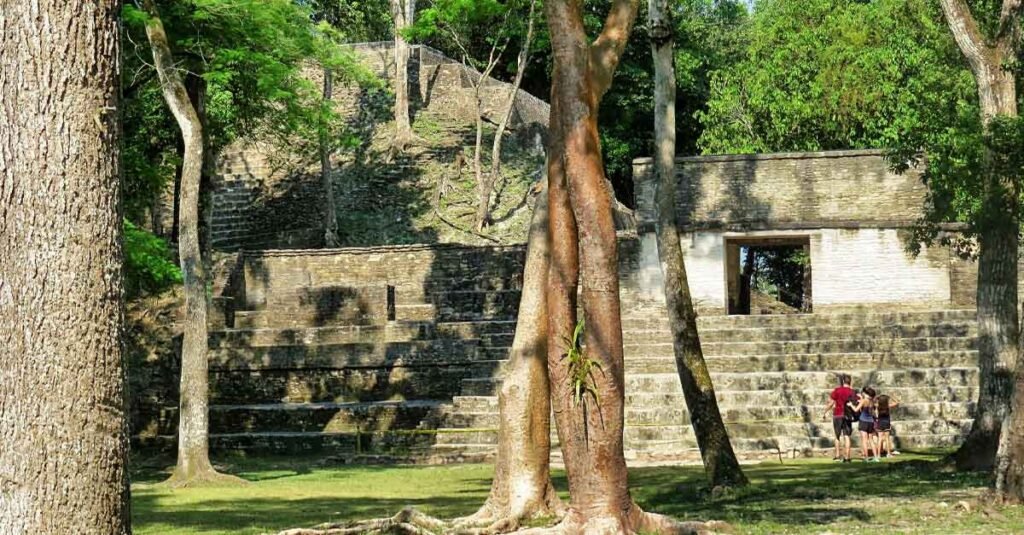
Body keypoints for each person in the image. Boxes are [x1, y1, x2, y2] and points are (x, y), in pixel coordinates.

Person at [825, 373, 856, 462]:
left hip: (838, 414)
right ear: (850, 381)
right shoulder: (852, 391)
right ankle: (847, 457)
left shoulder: (837, 390)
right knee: (847, 436)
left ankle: (837, 455)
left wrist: (825, 411)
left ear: (842, 381)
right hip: (847, 415)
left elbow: (831, 403)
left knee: (837, 436)